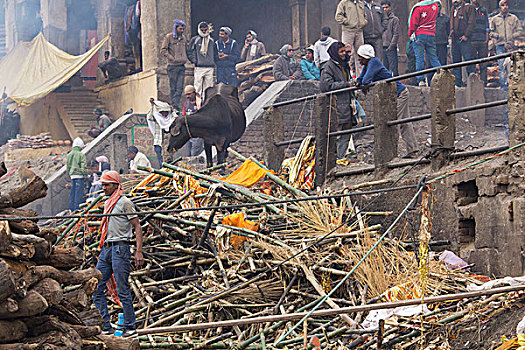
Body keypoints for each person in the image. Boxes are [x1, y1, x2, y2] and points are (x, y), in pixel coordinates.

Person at [92, 171, 143, 337]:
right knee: (97, 287)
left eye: (107, 185)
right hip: (107, 248)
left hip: (121, 248)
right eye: (103, 185)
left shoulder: (125, 202)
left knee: (122, 289)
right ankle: (106, 325)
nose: (104, 188)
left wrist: (138, 251)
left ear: (115, 185)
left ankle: (130, 327)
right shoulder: (108, 203)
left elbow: (137, 226)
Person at [356, 44, 418, 158]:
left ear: (365, 56)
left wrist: (363, 85)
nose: (359, 59)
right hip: (395, 95)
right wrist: (359, 83)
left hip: (400, 94)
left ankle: (391, 153)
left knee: (394, 121)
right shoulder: (368, 63)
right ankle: (412, 150)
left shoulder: (374, 62)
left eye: (360, 57)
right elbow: (361, 79)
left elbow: (366, 80)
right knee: (403, 122)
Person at [320, 42, 360, 159]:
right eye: (341, 52)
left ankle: (341, 157)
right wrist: (347, 84)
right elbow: (326, 86)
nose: (344, 54)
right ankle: (335, 159)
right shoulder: (328, 67)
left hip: (347, 104)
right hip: (336, 105)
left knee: (346, 133)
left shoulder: (344, 65)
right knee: (337, 134)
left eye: (344, 51)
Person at [490, 0, 522, 89]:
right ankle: (503, 86)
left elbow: (520, 30)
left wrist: (512, 36)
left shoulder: (513, 18)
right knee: (501, 66)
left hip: (510, 45)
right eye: (503, 5)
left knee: (511, 66)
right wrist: (496, 35)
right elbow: (490, 32)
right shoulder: (495, 19)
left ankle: (510, 85)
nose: (505, 7)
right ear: (500, 7)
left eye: (507, 5)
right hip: (500, 45)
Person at [408, 0, 441, 86]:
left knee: (419, 58)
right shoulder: (435, 6)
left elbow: (413, 23)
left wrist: (410, 33)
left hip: (419, 35)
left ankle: (421, 80)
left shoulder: (418, 7)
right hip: (431, 35)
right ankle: (442, 75)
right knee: (433, 57)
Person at [161, 19, 188, 112]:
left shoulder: (184, 38)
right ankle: (174, 105)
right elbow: (163, 50)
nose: (182, 30)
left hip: (181, 65)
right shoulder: (169, 37)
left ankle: (175, 104)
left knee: (180, 88)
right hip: (172, 66)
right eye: (180, 29)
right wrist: (171, 58)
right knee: (173, 88)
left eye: (183, 29)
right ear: (176, 28)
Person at [335, 0, 367, 73]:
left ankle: (360, 76)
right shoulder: (343, 3)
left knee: (360, 53)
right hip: (348, 31)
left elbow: (365, 15)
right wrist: (348, 22)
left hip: (359, 31)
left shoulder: (360, 3)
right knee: (347, 53)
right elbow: (338, 16)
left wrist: (363, 22)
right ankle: (348, 74)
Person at [450, 0, 476, 87]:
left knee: (468, 60)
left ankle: (472, 82)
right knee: (456, 62)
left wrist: (466, 35)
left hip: (465, 39)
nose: (455, 0)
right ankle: (457, 83)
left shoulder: (469, 8)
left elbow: (471, 23)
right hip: (455, 39)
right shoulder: (453, 9)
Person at [187, 22, 216, 100]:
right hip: (199, 67)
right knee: (198, 87)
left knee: (209, 87)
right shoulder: (195, 39)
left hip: (209, 66)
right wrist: (194, 61)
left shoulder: (211, 40)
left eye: (205, 30)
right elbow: (189, 51)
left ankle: (207, 102)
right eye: (202, 30)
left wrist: (213, 62)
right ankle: (198, 103)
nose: (203, 31)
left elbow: (215, 52)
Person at [147, 98, 175, 168]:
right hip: (158, 142)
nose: (165, 114)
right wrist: (152, 106)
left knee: (169, 160)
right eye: (163, 112)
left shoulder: (170, 117)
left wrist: (173, 111)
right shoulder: (156, 117)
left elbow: (176, 118)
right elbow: (149, 117)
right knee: (161, 161)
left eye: (166, 112)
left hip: (168, 143)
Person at [180, 85, 204, 157]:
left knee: (195, 155)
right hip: (188, 133)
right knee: (188, 155)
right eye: (186, 94)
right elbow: (183, 116)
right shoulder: (186, 104)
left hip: (197, 133)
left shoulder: (200, 103)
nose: (188, 96)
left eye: (189, 94)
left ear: (194, 93)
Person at [470, 0, 489, 85]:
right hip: (472, 40)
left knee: (483, 63)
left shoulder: (483, 10)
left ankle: (484, 82)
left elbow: (487, 25)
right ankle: (473, 82)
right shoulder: (469, 9)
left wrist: (487, 38)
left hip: (482, 40)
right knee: (472, 62)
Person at [66, 137, 88, 211]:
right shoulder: (81, 154)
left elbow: (67, 167)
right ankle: (77, 209)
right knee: (78, 194)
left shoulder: (69, 155)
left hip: (72, 177)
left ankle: (71, 209)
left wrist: (70, 173)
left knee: (73, 193)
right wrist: (85, 174)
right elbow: (83, 166)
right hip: (79, 176)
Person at [362, 0, 387, 66]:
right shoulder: (360, 6)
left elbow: (385, 18)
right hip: (366, 38)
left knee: (379, 59)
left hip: (377, 37)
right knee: (367, 59)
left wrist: (381, 29)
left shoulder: (378, 6)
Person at [381, 1, 399, 75]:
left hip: (391, 47)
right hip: (382, 47)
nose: (385, 9)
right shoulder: (379, 19)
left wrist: (391, 46)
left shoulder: (394, 19)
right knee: (384, 69)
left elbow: (396, 34)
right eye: (383, 8)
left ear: (390, 8)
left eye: (386, 7)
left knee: (394, 69)